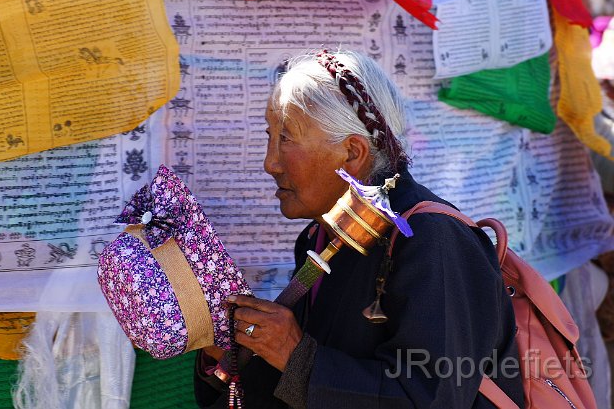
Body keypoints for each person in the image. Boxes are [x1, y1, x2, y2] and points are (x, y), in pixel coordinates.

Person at [193, 49, 524, 408]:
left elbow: (433, 398)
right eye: (270, 136)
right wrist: (228, 355)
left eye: (286, 139)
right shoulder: (322, 237)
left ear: (352, 152)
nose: (270, 163)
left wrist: (295, 355)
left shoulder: (434, 239)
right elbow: (293, 387)